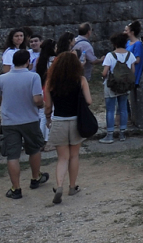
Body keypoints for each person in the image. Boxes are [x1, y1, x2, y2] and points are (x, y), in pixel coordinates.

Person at [0, 49, 48, 199]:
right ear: (28, 62)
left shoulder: (2, 78)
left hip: (9, 121)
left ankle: (16, 188)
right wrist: (42, 105)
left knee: (12, 155)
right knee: (34, 149)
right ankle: (35, 177)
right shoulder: (33, 77)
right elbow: (37, 99)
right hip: (29, 119)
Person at [44, 51, 91, 204]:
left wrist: (47, 118)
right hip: (76, 120)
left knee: (62, 158)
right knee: (74, 155)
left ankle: (59, 186)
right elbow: (89, 101)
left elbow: (48, 106)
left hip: (59, 121)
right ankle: (72, 186)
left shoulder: (50, 82)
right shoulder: (81, 80)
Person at [100, 32, 137, 144]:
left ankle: (110, 135)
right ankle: (122, 134)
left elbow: (104, 72)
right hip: (125, 85)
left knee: (110, 110)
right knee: (123, 109)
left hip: (112, 85)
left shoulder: (110, 55)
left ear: (114, 43)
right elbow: (132, 71)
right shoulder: (130, 55)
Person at [35, 38, 57, 148]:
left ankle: (40, 140)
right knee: (50, 115)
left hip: (42, 88)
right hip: (52, 88)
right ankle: (48, 140)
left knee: (42, 116)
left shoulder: (39, 60)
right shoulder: (55, 60)